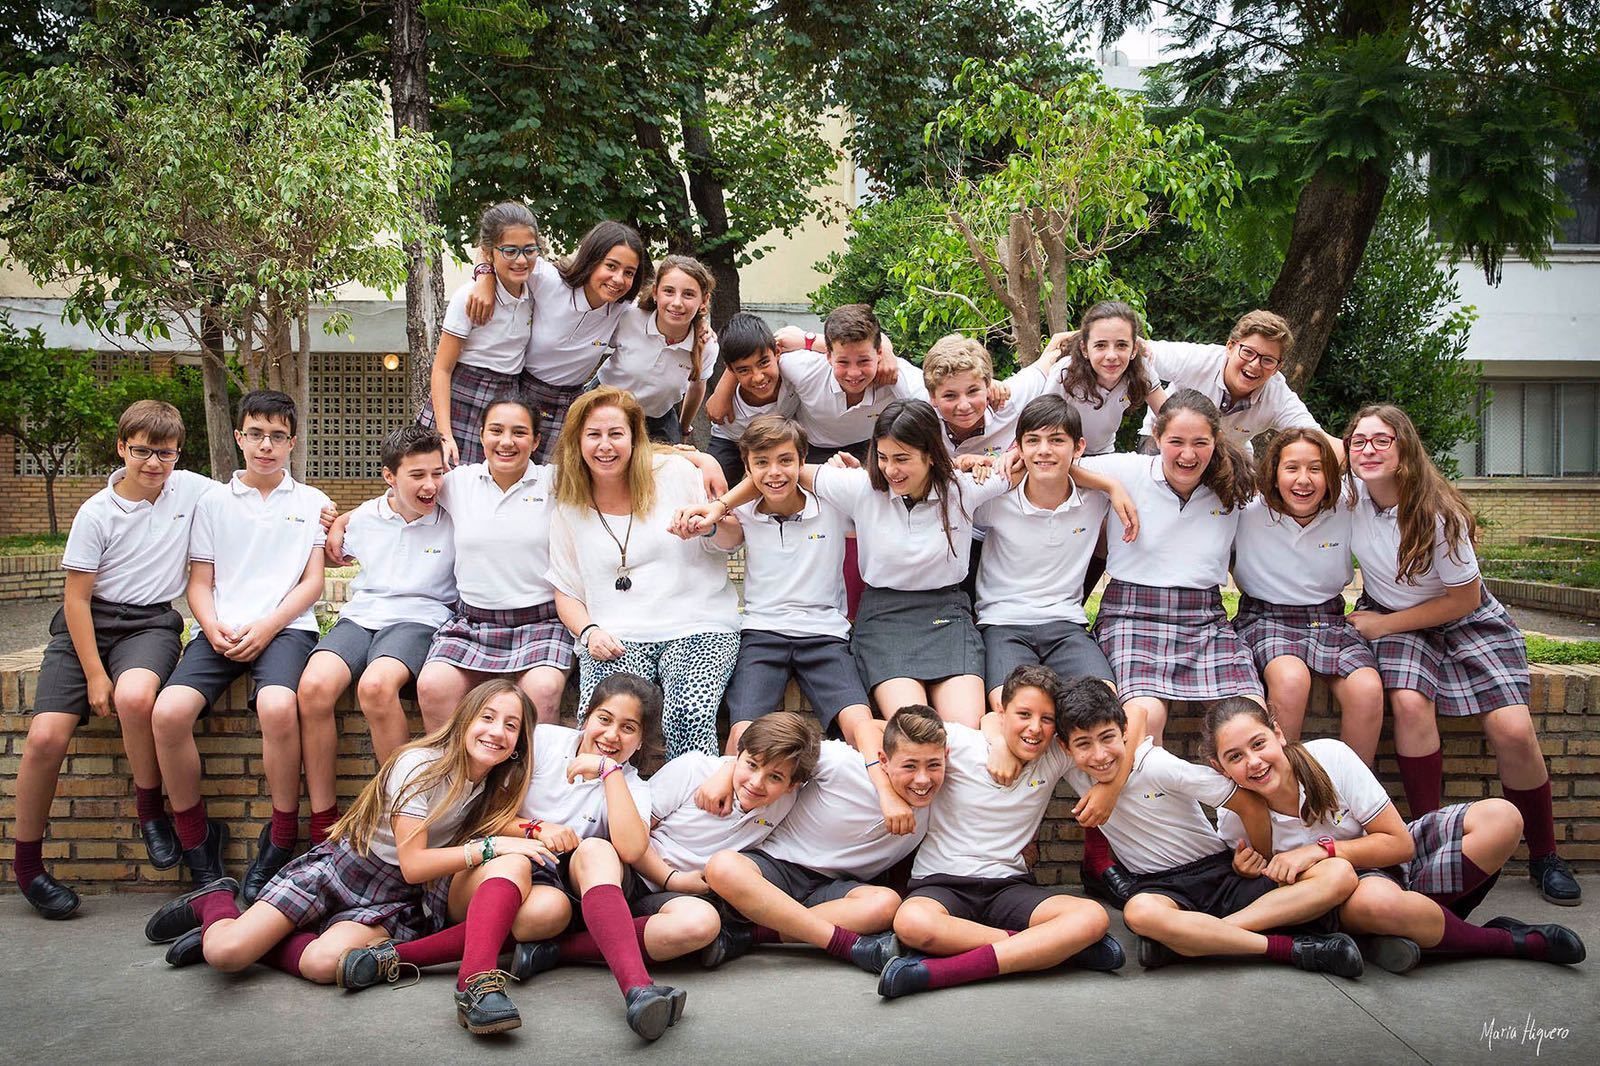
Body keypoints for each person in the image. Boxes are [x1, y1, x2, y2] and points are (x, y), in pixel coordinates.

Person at [142, 679, 545, 1039]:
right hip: (343, 868)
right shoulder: (418, 766)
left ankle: (258, 938)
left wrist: (533, 830)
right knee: (226, 955)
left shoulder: (490, 781)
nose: (497, 732)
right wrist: (491, 848)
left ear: (519, 746)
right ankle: (215, 903)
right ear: (464, 720)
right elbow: (415, 864)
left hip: (394, 897)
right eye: (488, 717)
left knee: (323, 965)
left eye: (511, 726)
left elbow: (486, 820)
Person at [1343, 404, 1580, 906]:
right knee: (1409, 704)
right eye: (1359, 440)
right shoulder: (1350, 496)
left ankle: (1545, 854)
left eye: (1381, 440)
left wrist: (1382, 624)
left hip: (1462, 620)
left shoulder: (1437, 514)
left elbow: (1463, 599)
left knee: (1512, 728)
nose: (1368, 449)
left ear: (1404, 450)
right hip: (1395, 615)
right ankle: (1429, 839)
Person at [12, 401, 216, 919]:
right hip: (86, 625)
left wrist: (333, 516)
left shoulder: (190, 489)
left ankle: (151, 810)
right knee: (44, 738)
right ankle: (28, 866)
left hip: (149, 624)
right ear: (122, 447)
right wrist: (94, 674)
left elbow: (253, 488)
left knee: (135, 696)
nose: (153, 462)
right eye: (142, 450)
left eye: (164, 452)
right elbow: (75, 601)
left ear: (177, 453)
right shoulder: (96, 512)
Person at [1208, 699, 1586, 973]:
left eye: (1258, 744)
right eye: (1235, 757)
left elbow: (1399, 843)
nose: (1253, 762)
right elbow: (1263, 890)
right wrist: (1245, 869)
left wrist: (1322, 849)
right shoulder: (1234, 814)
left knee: (1503, 817)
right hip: (1355, 890)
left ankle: (1408, 931)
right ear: (1219, 767)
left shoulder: (1329, 757)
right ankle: (1504, 940)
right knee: (1381, 904)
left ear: (1278, 733)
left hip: (1387, 853)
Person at [1049, 681, 1363, 976]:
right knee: (1138, 912)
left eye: (1107, 738)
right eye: (1083, 744)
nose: (1100, 755)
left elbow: (1249, 804)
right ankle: (1290, 949)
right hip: (1159, 887)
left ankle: (1196, 942)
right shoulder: (1071, 766)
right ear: (1065, 747)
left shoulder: (1158, 765)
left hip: (1217, 874)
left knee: (1338, 873)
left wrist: (1261, 857)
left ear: (1125, 732)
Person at [151, 390, 330, 901]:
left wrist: (268, 627)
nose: (266, 446)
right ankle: (196, 842)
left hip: (287, 627)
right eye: (256, 434)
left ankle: (279, 836)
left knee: (277, 706)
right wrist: (209, 627)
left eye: (277, 437)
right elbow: (199, 581)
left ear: (292, 443)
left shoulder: (312, 503)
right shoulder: (212, 502)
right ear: (239, 437)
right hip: (220, 628)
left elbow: (311, 584)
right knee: (167, 713)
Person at [877, 667, 1123, 999]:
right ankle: (1047, 949)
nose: (1035, 728)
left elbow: (1128, 726)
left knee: (1091, 917)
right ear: (1001, 713)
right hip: (942, 881)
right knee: (911, 923)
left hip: (1008, 887)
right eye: (1024, 714)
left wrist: (1110, 789)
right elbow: (872, 728)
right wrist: (888, 796)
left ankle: (935, 973)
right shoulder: (959, 742)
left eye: (1047, 719)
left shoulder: (1053, 756)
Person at [547, 387, 740, 758]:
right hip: (618, 633)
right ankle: (600, 806)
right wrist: (588, 631)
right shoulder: (568, 508)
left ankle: (688, 809)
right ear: (578, 441)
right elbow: (566, 590)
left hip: (698, 625)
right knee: (602, 725)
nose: (606, 446)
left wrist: (711, 526)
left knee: (688, 714)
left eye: (616, 434)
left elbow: (733, 539)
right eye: (594, 435)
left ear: (635, 438)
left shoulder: (677, 474)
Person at [297, 426, 457, 849]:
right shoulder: (366, 517)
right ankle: (324, 821)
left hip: (420, 617)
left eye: (437, 474)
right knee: (312, 688)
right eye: (417, 475)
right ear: (389, 477)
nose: (430, 485)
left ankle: (400, 812)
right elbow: (338, 550)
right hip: (361, 615)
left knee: (377, 686)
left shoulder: (454, 512)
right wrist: (339, 523)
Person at [677, 414, 872, 755]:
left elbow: (873, 489)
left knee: (860, 725)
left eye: (786, 460)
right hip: (762, 634)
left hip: (825, 634)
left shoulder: (832, 506)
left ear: (802, 459)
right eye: (762, 463)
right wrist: (705, 505)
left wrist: (849, 471)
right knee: (741, 737)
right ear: (747, 465)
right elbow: (726, 535)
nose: (775, 472)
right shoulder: (746, 512)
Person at [701, 707, 949, 973]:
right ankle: (846, 944)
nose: (922, 779)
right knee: (723, 866)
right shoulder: (841, 763)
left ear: (946, 758)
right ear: (883, 760)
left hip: (830, 889)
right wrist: (726, 769)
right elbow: (774, 757)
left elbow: (992, 722)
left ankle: (749, 935)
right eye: (909, 766)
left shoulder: (941, 799)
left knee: (885, 903)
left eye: (933, 765)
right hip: (775, 867)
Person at [1232, 428, 1383, 763]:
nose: (1304, 480)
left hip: (1329, 619)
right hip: (1265, 617)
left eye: (1316, 469)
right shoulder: (1248, 509)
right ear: (1273, 473)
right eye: (1292, 468)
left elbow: (1386, 473)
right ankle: (1284, 793)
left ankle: (1352, 799)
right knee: (1290, 680)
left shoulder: (1350, 504)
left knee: (1368, 690)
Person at [464, 220, 652, 462]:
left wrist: (700, 325)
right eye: (611, 266)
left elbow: (667, 314)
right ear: (592, 259)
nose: (618, 279)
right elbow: (492, 246)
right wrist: (484, 276)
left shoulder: (624, 310)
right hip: (520, 391)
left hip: (569, 404)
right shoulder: (548, 279)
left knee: (548, 483)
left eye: (629, 273)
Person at [972, 397, 1115, 713]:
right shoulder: (994, 500)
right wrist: (972, 462)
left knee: (1104, 704)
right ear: (1018, 449)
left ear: (1078, 447)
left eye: (1056, 440)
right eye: (1033, 440)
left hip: (1066, 624)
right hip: (1002, 623)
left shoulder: (1095, 500)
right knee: (1010, 708)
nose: (1044, 450)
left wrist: (1114, 489)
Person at [419, 202, 540, 468]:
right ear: (489, 252)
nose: (521, 260)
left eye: (529, 250)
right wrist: (444, 434)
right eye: (509, 251)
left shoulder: (536, 289)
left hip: (505, 397)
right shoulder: (469, 297)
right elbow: (441, 368)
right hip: (461, 397)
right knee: (441, 486)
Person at [1138, 309, 1340, 458]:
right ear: (1230, 347)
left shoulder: (1277, 396)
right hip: (1164, 440)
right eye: (1248, 352)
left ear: (1278, 367)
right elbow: (1141, 352)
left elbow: (1319, 438)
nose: (1254, 365)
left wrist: (1363, 453)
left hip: (1226, 453)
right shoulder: (1198, 359)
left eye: (1267, 360)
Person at [597, 254, 718, 444]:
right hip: (603, 405)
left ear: (704, 300)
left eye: (688, 294)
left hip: (654, 420)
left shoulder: (705, 345)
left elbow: (697, 386)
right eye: (669, 291)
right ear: (655, 292)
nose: (677, 303)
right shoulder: (629, 317)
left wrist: (684, 427)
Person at [1045, 301, 1166, 457]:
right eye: (1100, 345)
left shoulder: (1141, 370)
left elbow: (1169, 415)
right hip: (1062, 456)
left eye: (1121, 345)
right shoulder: (1065, 373)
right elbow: (1040, 424)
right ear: (1085, 349)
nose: (1111, 356)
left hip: (1104, 454)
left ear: (1134, 349)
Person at [702, 312, 799, 489]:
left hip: (778, 439)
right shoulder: (726, 397)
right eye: (744, 370)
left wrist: (806, 340)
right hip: (731, 439)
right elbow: (714, 411)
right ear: (731, 370)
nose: (758, 377)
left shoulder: (794, 371)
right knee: (711, 485)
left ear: (777, 352)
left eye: (763, 363)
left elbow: (836, 351)